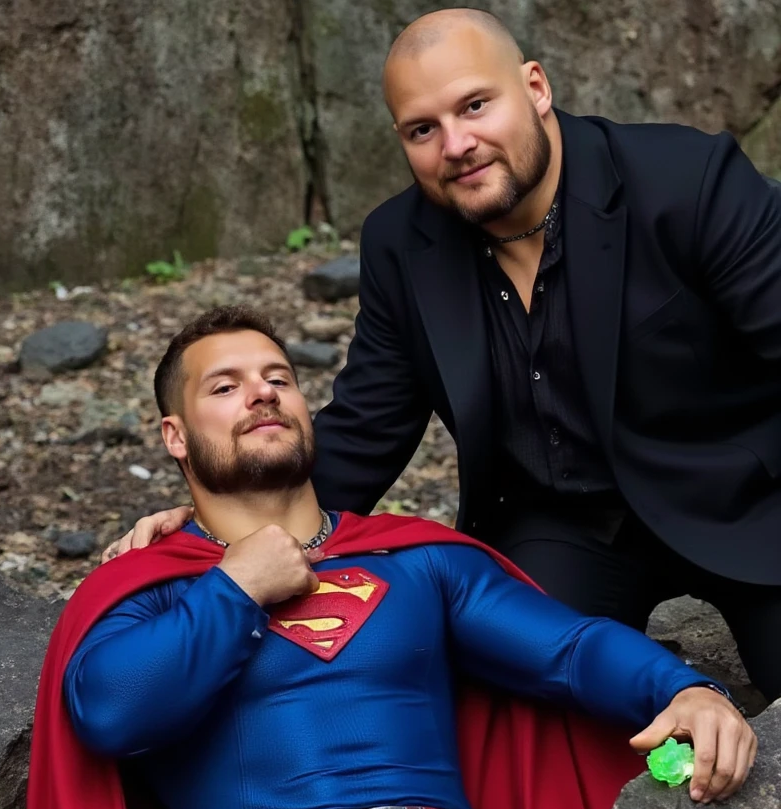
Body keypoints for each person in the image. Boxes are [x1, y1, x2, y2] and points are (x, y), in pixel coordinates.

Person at [25, 306, 756, 809]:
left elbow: (569, 648)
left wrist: (684, 688)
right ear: (174, 437)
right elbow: (109, 712)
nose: (262, 392)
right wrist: (235, 588)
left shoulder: (414, 558)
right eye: (225, 386)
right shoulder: (151, 588)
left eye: (279, 376)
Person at [112, 8, 781, 703]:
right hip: (565, 529)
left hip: (741, 499)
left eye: (476, 105)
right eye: (423, 130)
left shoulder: (688, 179)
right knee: (517, 706)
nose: (456, 144)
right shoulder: (402, 244)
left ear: (536, 88)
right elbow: (368, 428)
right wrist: (214, 535)